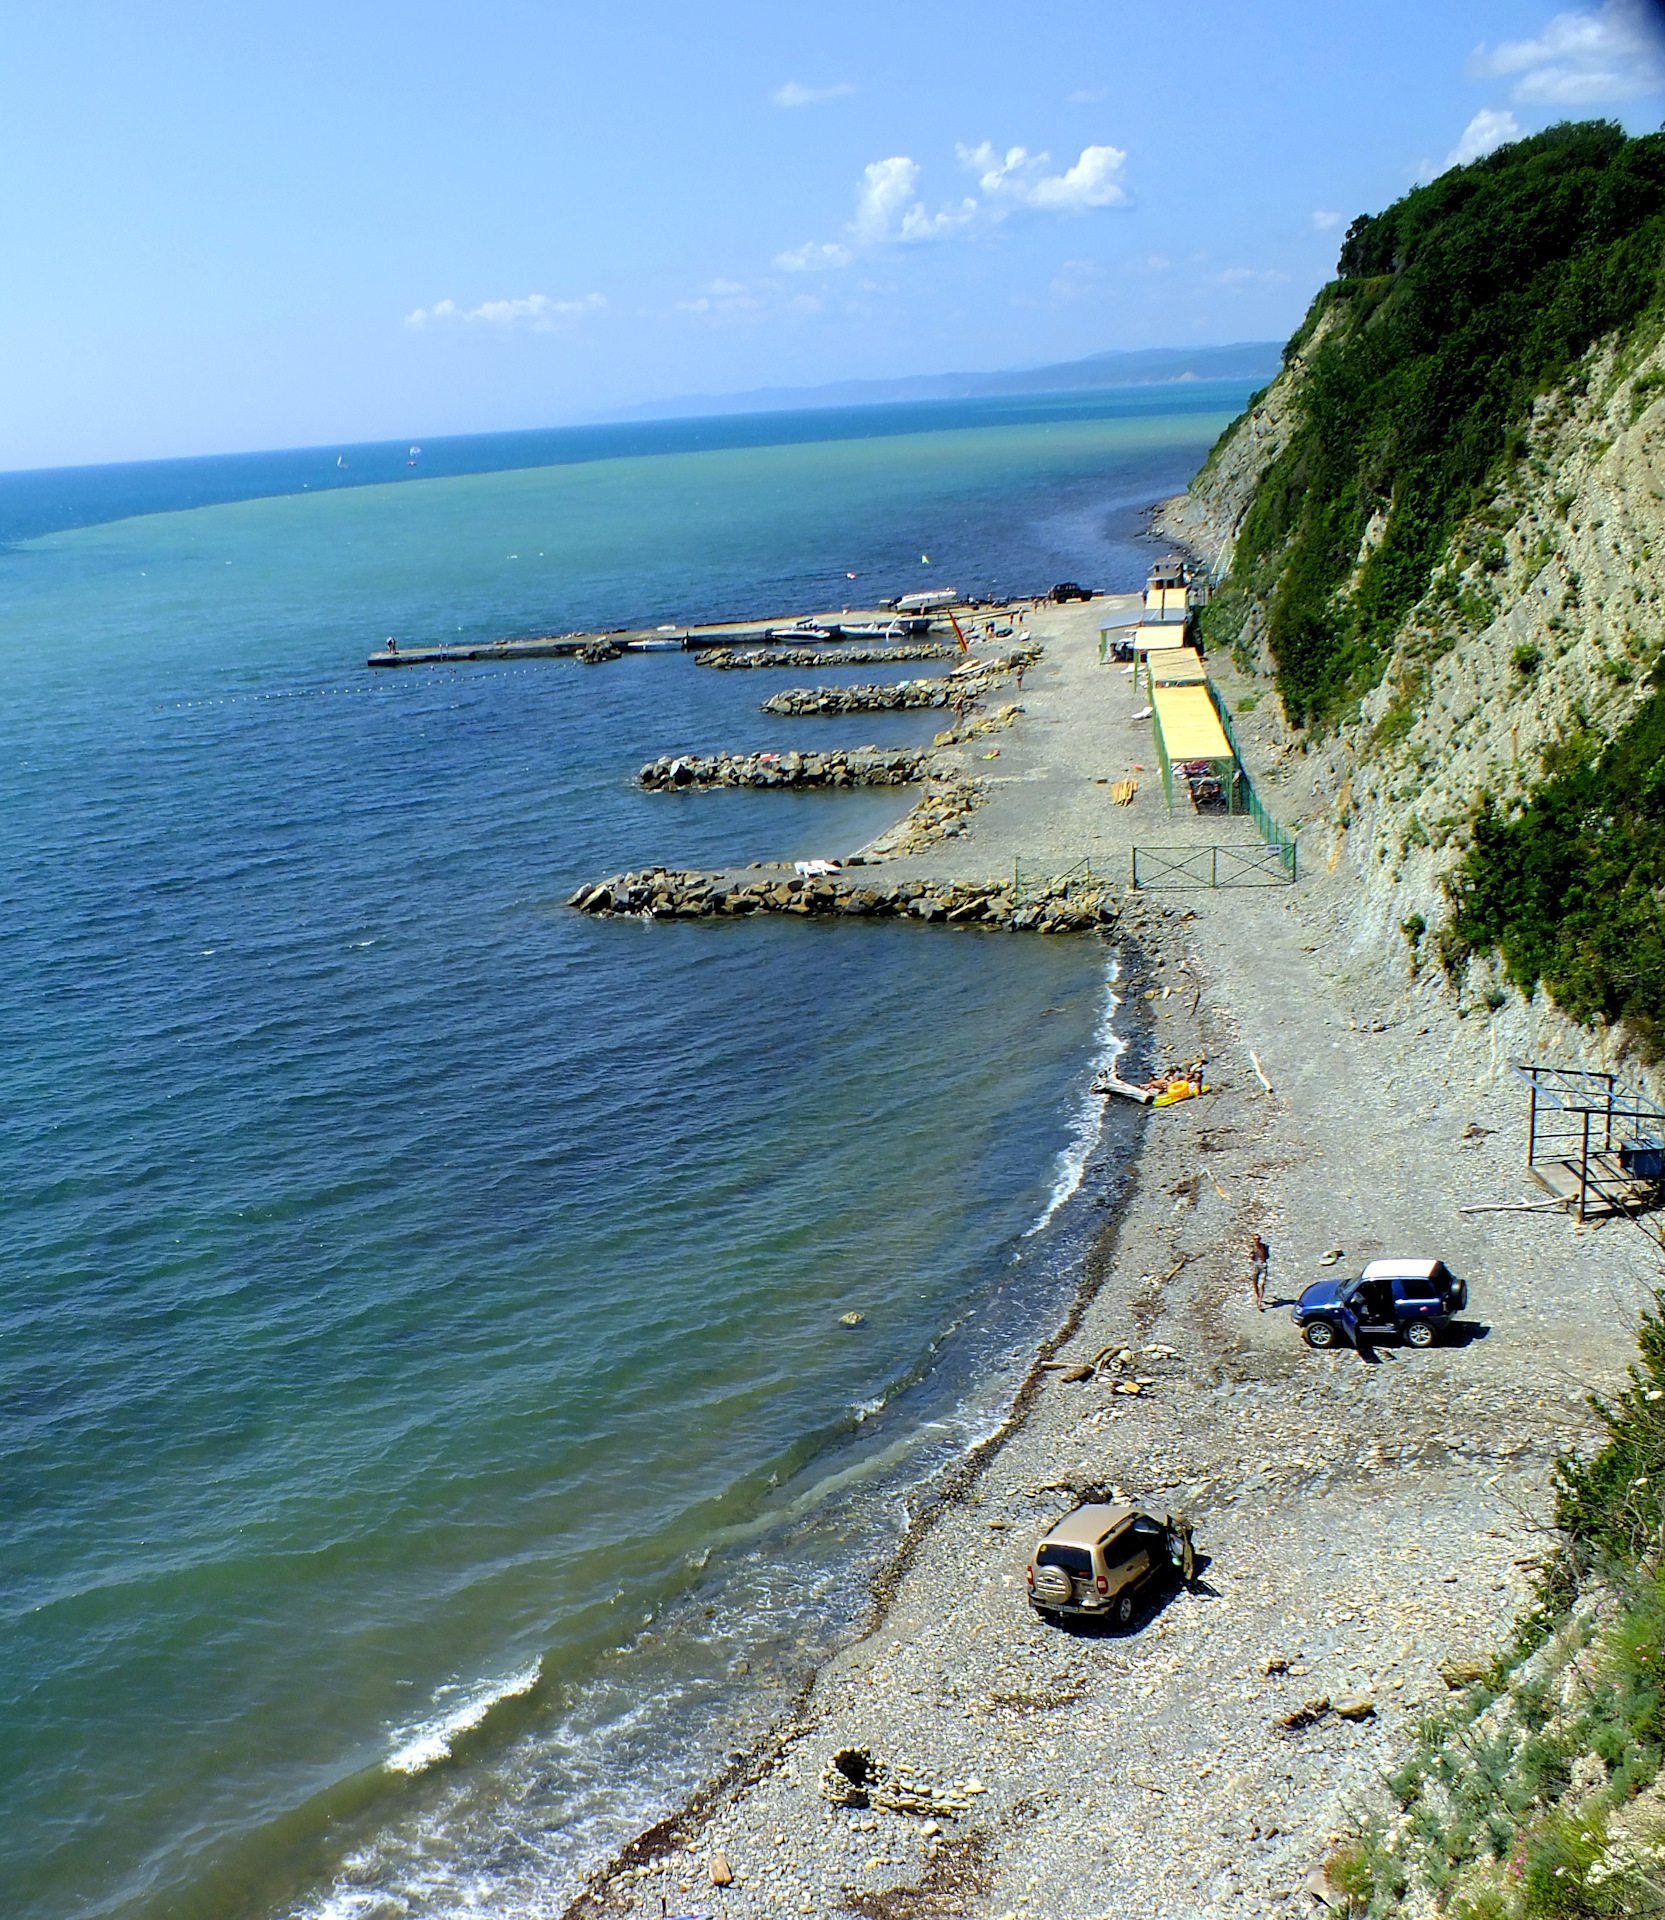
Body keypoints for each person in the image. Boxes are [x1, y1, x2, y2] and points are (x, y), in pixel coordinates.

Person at [1250, 1233, 1270, 1312]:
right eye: (1255, 1239)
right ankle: (1258, 1296)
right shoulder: (1253, 1248)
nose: (1257, 1241)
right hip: (1255, 1265)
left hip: (1263, 1265)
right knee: (1254, 1282)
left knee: (1261, 1284)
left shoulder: (1264, 1247)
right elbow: (1251, 1257)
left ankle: (1260, 1301)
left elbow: (1268, 1256)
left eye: (1258, 1239)